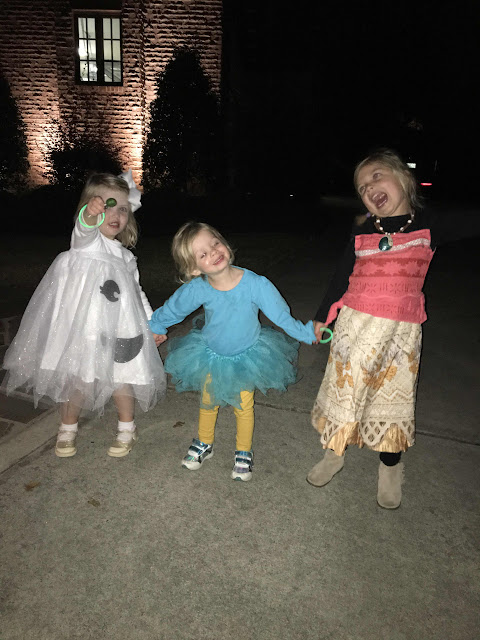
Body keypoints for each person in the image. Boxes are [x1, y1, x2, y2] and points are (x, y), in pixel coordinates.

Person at [307, 148, 477, 508]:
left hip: (400, 334)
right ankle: (333, 454)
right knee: (346, 394)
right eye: (362, 187)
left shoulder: (430, 224)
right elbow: (341, 276)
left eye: (376, 176)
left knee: (391, 400)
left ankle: (390, 468)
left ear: (404, 178)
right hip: (354, 328)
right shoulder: (362, 230)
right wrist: (324, 316)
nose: (369, 188)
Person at [3, 171, 166, 458]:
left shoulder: (126, 257)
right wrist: (90, 214)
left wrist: (153, 323)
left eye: (123, 209)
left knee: (122, 378)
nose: (115, 214)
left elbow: (136, 291)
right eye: (108, 205)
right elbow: (85, 226)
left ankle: (127, 428)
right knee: (77, 380)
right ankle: (67, 429)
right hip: (84, 329)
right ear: (91, 205)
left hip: (120, 329)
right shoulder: (86, 242)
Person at [149, 221, 320, 481]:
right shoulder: (199, 287)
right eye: (203, 254)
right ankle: (204, 442)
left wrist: (307, 333)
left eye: (215, 244)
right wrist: (156, 326)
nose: (213, 253)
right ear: (194, 268)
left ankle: (243, 451)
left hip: (247, 357)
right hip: (211, 355)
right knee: (208, 401)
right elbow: (175, 307)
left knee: (243, 406)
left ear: (225, 244)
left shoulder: (256, 284)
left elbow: (281, 316)